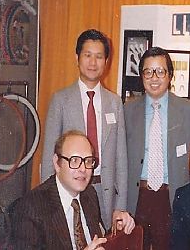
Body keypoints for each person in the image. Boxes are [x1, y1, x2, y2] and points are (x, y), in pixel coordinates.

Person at [41, 29, 129, 229]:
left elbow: (121, 159)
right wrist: (48, 202)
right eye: (87, 55)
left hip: (105, 192)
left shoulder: (114, 102)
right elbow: (49, 156)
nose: (92, 62)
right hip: (70, 189)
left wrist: (121, 205)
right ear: (77, 58)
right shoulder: (60, 100)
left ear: (106, 61)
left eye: (99, 57)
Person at [124, 46, 190, 250]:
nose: (154, 77)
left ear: (170, 75)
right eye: (148, 71)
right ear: (142, 76)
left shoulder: (188, 110)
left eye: (160, 71)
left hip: (172, 199)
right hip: (136, 199)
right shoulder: (127, 109)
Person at [10, 130, 135, 250]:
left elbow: (96, 241)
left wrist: (117, 226)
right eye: (74, 160)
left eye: (88, 161)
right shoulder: (31, 207)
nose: (83, 169)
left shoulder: (89, 194)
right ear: (57, 163)